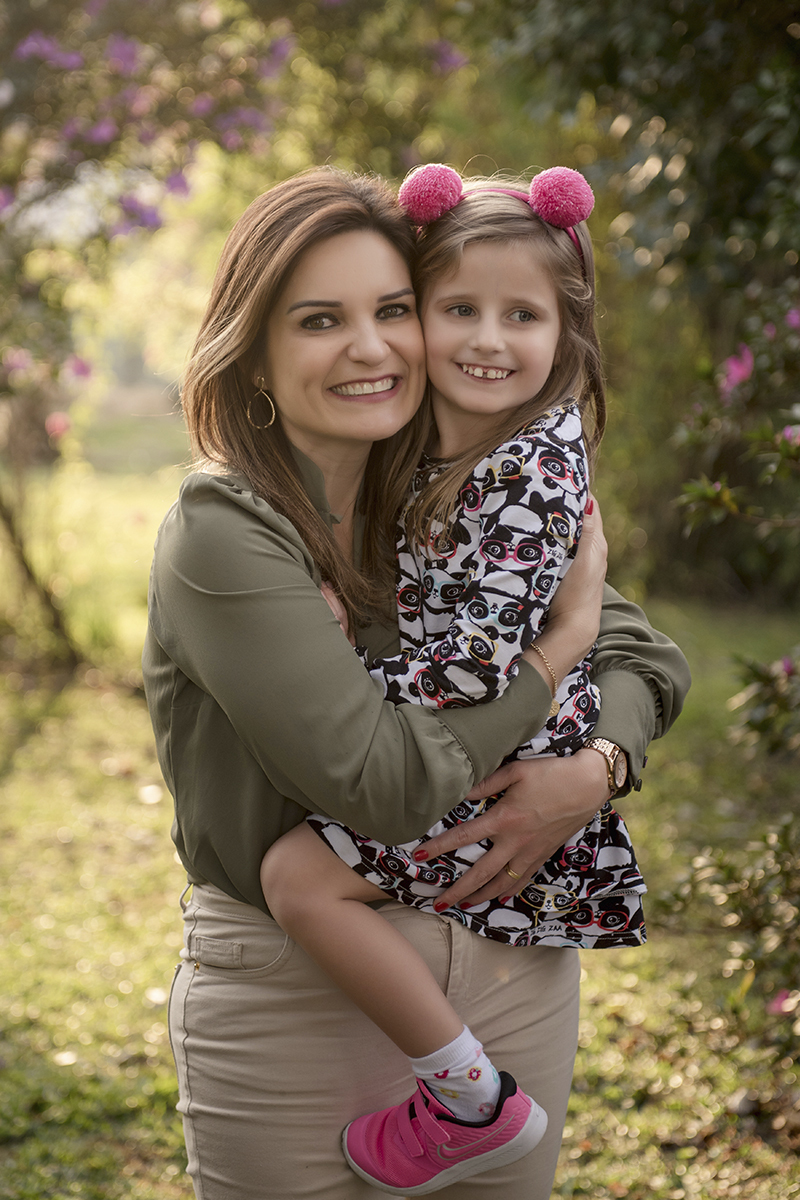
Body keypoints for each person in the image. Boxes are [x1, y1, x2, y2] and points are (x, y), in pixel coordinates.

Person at [143, 165, 691, 1200]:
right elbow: (386, 787)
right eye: (318, 320)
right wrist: (548, 656)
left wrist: (594, 770)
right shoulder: (228, 532)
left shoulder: (450, 488)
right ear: (254, 351)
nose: (372, 346)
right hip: (295, 984)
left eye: (392, 309)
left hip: (508, 962)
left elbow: (646, 657)